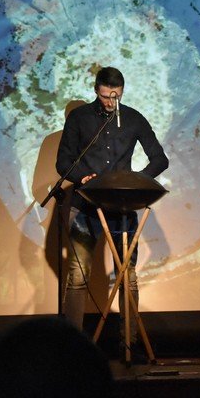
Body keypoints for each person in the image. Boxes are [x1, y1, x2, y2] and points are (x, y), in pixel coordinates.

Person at [55, 66, 168, 358]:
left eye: (115, 96)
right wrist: (81, 177)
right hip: (85, 205)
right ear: (96, 90)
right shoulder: (79, 118)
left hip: (122, 208)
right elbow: (63, 161)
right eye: (105, 96)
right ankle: (72, 350)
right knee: (77, 276)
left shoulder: (133, 118)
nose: (110, 102)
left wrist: (137, 181)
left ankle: (129, 344)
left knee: (127, 275)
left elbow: (160, 158)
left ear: (122, 91)